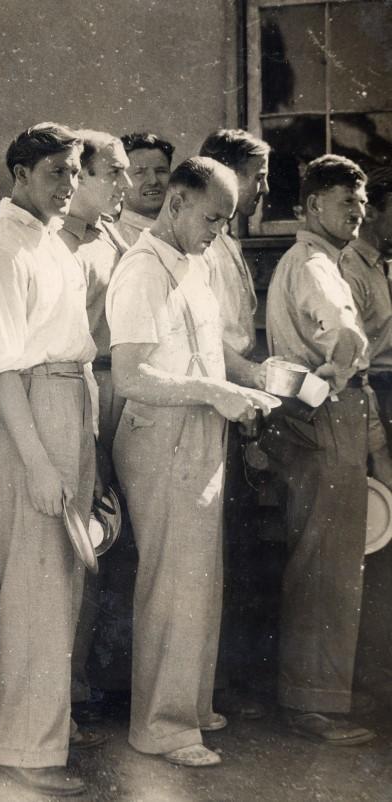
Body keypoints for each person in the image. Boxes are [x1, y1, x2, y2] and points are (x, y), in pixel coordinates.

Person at [108, 157, 273, 768]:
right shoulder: (142, 271)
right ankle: (162, 727)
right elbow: (130, 376)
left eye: (227, 222)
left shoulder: (193, 263)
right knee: (174, 584)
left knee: (199, 579)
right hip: (162, 436)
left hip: (200, 432)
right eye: (212, 218)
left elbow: (209, 353)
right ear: (175, 203)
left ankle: (190, 704)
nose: (219, 232)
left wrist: (250, 379)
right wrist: (214, 393)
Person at [0, 123, 105, 798]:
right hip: (28, 414)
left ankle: (44, 724)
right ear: (19, 173)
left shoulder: (50, 244)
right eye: (55, 172)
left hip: (67, 405)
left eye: (76, 172)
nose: (69, 184)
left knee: (56, 581)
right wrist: (41, 464)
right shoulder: (0, 252)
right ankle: (23, 747)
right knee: (33, 581)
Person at [265, 154, 389, 746]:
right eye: (347, 203)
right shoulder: (314, 264)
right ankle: (311, 701)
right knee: (325, 562)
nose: (358, 214)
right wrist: (337, 376)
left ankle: (323, 687)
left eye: (362, 204)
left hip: (320, 417)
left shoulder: (319, 259)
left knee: (331, 556)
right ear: (314, 205)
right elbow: (346, 332)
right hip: (322, 415)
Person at [57, 129, 131, 717]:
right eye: (114, 172)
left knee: (108, 540)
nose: (126, 185)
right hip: (77, 390)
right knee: (75, 540)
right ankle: (64, 696)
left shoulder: (109, 237)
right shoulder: (52, 242)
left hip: (119, 390)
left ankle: (90, 683)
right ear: (76, 175)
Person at [198, 129, 272, 719]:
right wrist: (255, 378)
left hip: (237, 394)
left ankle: (225, 680)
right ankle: (214, 684)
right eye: (257, 175)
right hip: (221, 398)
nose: (264, 188)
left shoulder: (226, 244)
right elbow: (215, 346)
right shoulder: (207, 246)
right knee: (219, 547)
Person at [340, 166, 392, 706]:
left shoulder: (381, 264)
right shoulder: (349, 268)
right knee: (377, 536)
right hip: (373, 396)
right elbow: (357, 360)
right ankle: (371, 675)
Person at [116, 132, 174, 247]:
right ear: (121, 180)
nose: (153, 181)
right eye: (139, 173)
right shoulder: (118, 239)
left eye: (160, 171)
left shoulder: (183, 233)